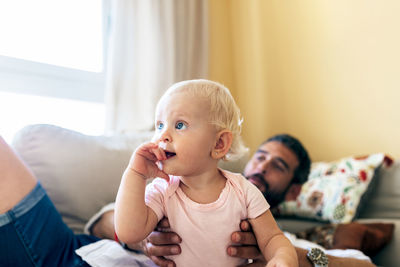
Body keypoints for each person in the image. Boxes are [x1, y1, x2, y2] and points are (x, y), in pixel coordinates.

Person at [114, 79, 299, 267]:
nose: (163, 135)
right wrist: (135, 174)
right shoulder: (163, 189)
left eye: (179, 125)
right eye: (160, 125)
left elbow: (272, 239)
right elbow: (129, 233)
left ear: (219, 144)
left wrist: (282, 257)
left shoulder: (243, 191)